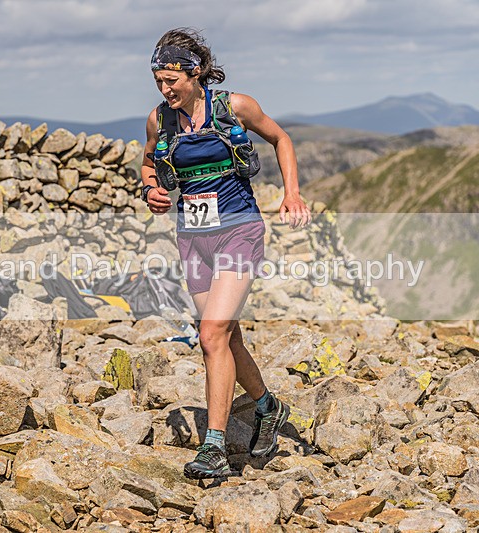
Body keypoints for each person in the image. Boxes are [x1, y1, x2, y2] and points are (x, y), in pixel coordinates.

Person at [140, 27, 311, 479]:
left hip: (240, 231)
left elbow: (282, 139)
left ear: (194, 72)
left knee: (211, 334)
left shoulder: (235, 107)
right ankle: (268, 407)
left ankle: (213, 448)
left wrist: (291, 193)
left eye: (170, 80)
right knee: (226, 338)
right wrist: (152, 188)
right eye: (158, 81)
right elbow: (147, 162)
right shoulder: (160, 120)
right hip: (193, 239)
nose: (164, 89)